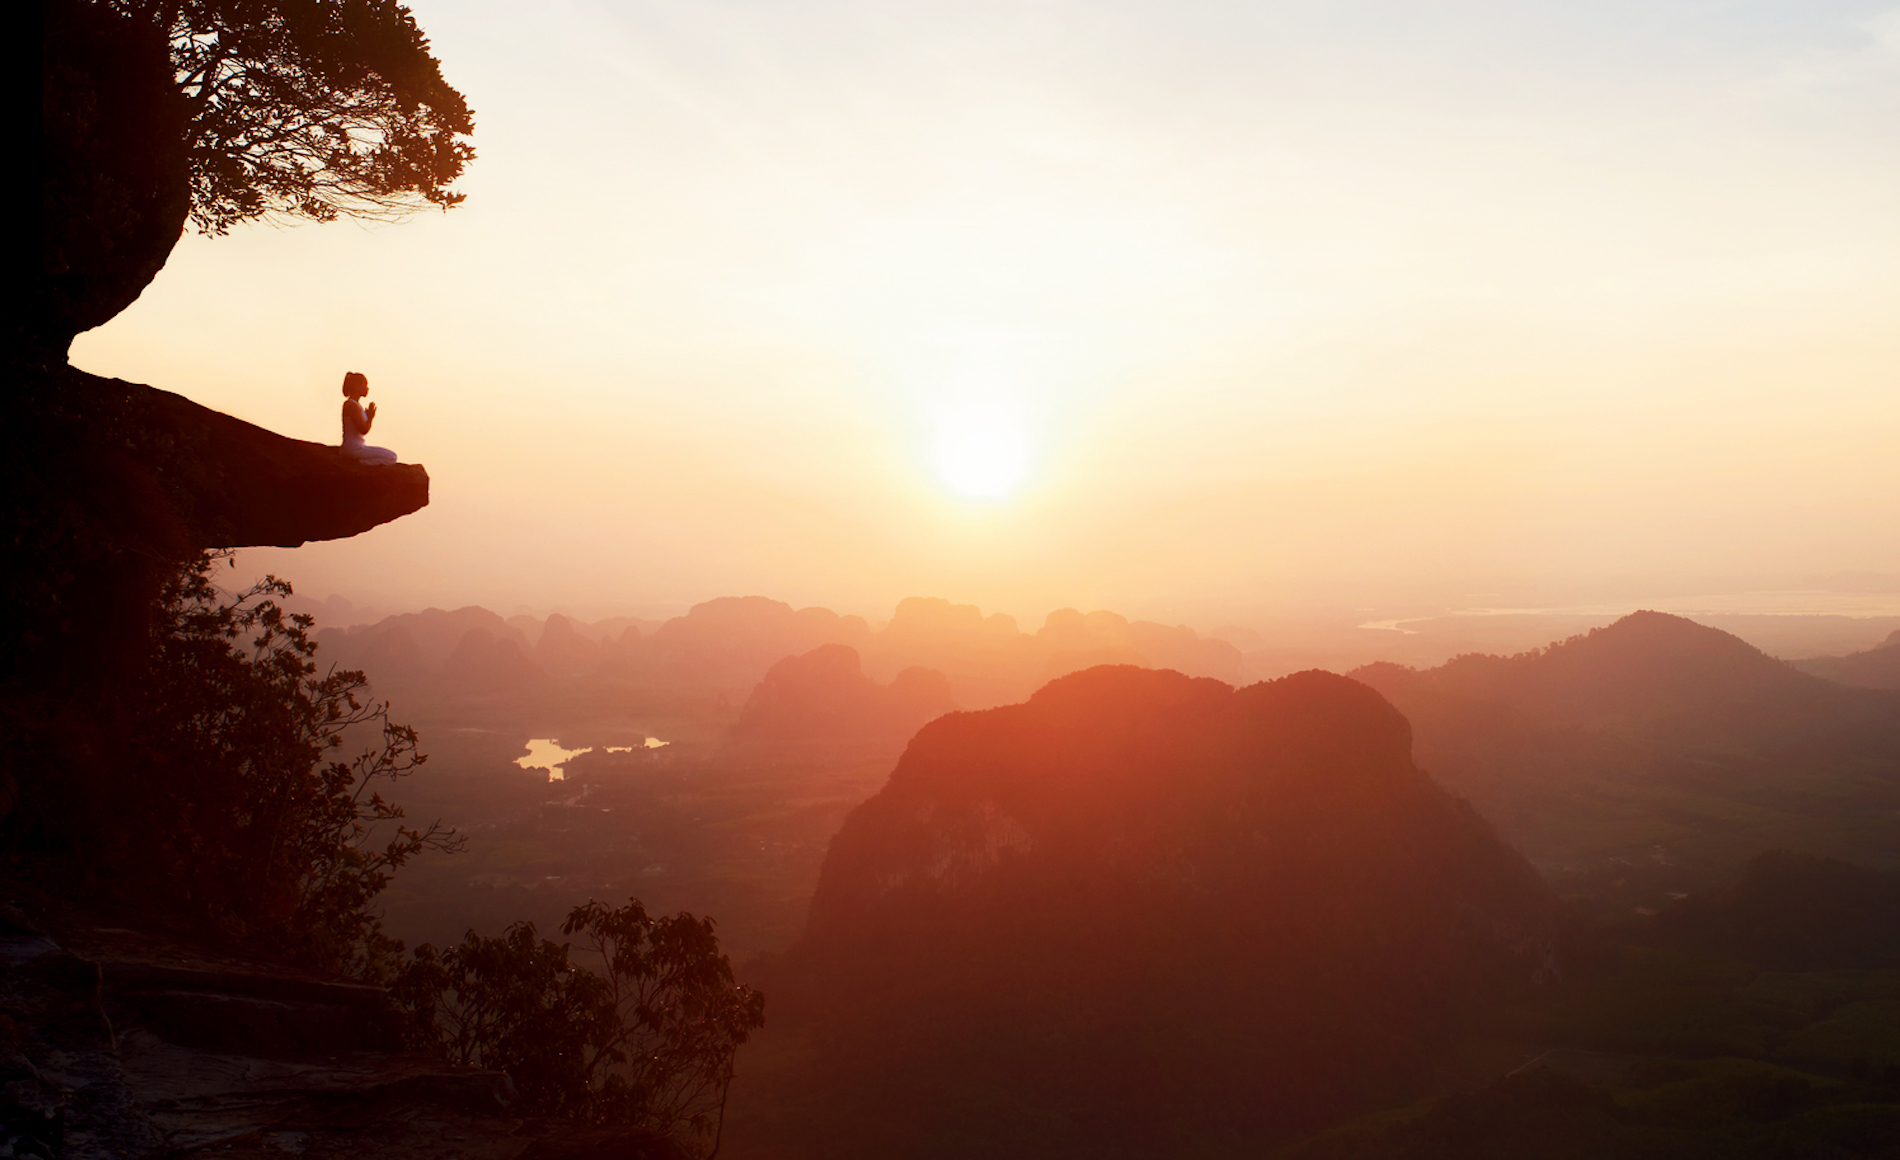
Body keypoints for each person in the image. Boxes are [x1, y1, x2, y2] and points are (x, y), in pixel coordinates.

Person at [340, 371, 399, 465]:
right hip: (354, 448)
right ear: (357, 386)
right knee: (391, 457)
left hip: (355, 447)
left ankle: (360, 463)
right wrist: (370, 418)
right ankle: (360, 464)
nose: (367, 388)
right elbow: (364, 430)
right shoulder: (352, 405)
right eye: (365, 385)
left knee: (391, 456)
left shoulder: (355, 405)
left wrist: (367, 417)